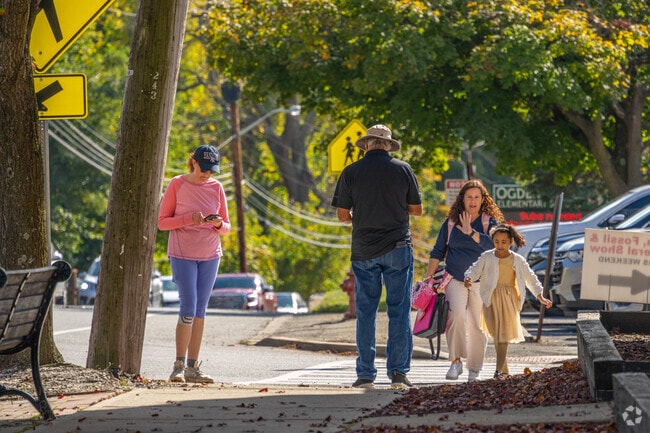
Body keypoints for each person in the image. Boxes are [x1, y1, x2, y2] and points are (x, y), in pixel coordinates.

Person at [331, 124, 423, 390]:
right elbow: (416, 210)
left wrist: (360, 219)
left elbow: (342, 214)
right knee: (399, 311)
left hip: (363, 250)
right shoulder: (403, 169)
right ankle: (398, 374)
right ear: (388, 145)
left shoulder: (351, 172)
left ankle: (365, 375)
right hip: (397, 247)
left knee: (366, 312)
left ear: (367, 144)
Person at [158, 145, 231, 383]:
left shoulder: (216, 188)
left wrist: (218, 224)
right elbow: (162, 223)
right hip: (183, 254)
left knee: (200, 310)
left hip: (210, 254)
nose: (208, 174)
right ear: (194, 162)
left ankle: (193, 367)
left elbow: (227, 227)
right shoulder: (178, 184)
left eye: (212, 170)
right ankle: (178, 366)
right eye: (204, 169)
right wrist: (189, 219)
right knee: (188, 306)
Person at [424, 179, 503, 382]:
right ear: (463, 199)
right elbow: (437, 251)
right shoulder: (451, 222)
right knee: (456, 316)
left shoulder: (489, 222)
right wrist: (428, 279)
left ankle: (474, 369)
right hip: (455, 279)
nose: (473, 201)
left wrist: (472, 234)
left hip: (481, 281)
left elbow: (496, 248)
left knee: (477, 325)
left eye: (477, 197)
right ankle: (455, 362)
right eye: (469, 197)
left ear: (483, 199)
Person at [464, 224, 553, 378]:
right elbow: (474, 269)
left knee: (502, 336)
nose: (500, 245)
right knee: (495, 335)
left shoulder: (517, 260)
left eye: (504, 242)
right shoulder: (486, 256)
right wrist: (468, 278)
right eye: (497, 241)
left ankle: (498, 371)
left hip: (508, 299)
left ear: (511, 241)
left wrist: (540, 296)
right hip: (490, 298)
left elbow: (530, 278)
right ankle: (504, 372)